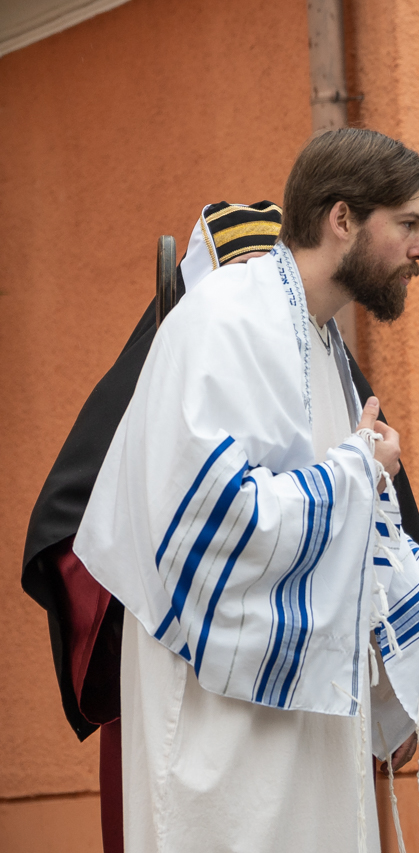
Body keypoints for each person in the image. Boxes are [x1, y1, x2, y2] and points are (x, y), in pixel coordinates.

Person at [71, 128, 419, 853]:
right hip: (225, 734)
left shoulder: (320, 339)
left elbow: (351, 550)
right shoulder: (224, 321)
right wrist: (358, 468)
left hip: (304, 725)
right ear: (342, 218)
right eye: (408, 225)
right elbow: (214, 523)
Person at [20, 200, 293, 853]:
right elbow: (73, 534)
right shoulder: (156, 377)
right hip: (179, 685)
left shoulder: (313, 374)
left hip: (290, 693)